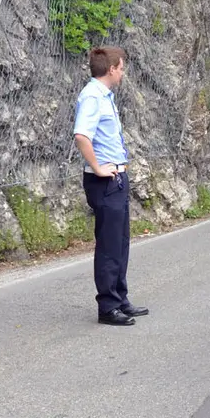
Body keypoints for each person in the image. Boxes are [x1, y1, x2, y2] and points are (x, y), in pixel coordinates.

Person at [73, 46, 148, 326]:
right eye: (122, 67)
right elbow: (82, 136)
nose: (123, 72)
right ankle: (108, 307)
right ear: (113, 68)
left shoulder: (105, 97)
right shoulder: (92, 96)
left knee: (121, 242)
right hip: (105, 180)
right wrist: (97, 167)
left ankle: (120, 299)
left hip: (116, 179)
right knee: (109, 244)